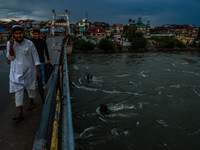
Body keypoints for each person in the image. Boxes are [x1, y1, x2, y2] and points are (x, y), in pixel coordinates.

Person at [6, 25, 41, 120]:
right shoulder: (10, 44)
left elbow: (35, 57)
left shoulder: (29, 43)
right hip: (16, 71)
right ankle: (20, 112)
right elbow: (10, 57)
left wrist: (38, 70)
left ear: (23, 33)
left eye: (20, 33)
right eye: (16, 34)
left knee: (30, 88)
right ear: (13, 34)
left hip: (29, 70)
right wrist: (11, 45)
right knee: (18, 91)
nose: (19, 35)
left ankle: (31, 102)